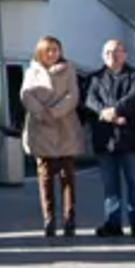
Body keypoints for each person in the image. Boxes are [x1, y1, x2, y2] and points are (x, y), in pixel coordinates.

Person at [85, 39, 135, 238]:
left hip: (130, 138)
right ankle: (113, 225)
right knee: (110, 186)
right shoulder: (94, 78)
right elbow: (89, 100)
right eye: (108, 52)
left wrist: (115, 110)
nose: (112, 55)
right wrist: (105, 113)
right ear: (103, 56)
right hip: (105, 140)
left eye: (117, 51)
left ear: (125, 54)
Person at [20, 36, 82, 238]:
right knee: (45, 177)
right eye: (48, 50)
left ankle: (69, 219)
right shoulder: (32, 71)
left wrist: (54, 112)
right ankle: (49, 220)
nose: (52, 53)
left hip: (64, 126)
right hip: (41, 128)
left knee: (68, 175)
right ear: (41, 52)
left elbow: (72, 95)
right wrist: (41, 113)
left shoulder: (69, 68)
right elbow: (26, 95)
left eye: (56, 49)